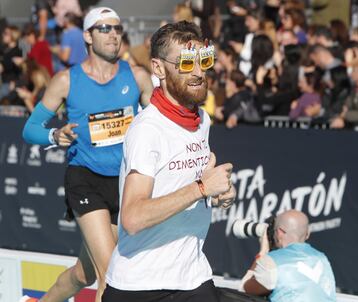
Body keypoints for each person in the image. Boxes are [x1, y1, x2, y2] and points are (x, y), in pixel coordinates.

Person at [22, 6, 153, 302]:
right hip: (85, 179)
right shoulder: (67, 80)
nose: (113, 35)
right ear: (88, 36)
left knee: (84, 274)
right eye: (105, 29)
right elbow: (30, 128)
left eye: (117, 28)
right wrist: (55, 135)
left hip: (125, 182)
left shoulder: (137, 77)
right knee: (112, 273)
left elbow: (160, 121)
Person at [103, 21, 236, 302]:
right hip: (141, 287)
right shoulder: (147, 130)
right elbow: (132, 217)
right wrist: (200, 188)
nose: (199, 72)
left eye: (205, 60)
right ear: (159, 68)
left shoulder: (202, 120)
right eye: (186, 63)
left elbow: (185, 183)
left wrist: (216, 195)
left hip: (192, 276)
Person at [241, 210, 336, 301]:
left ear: (279, 232)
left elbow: (245, 289)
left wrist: (263, 252)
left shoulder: (272, 261)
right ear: (308, 234)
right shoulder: (323, 258)